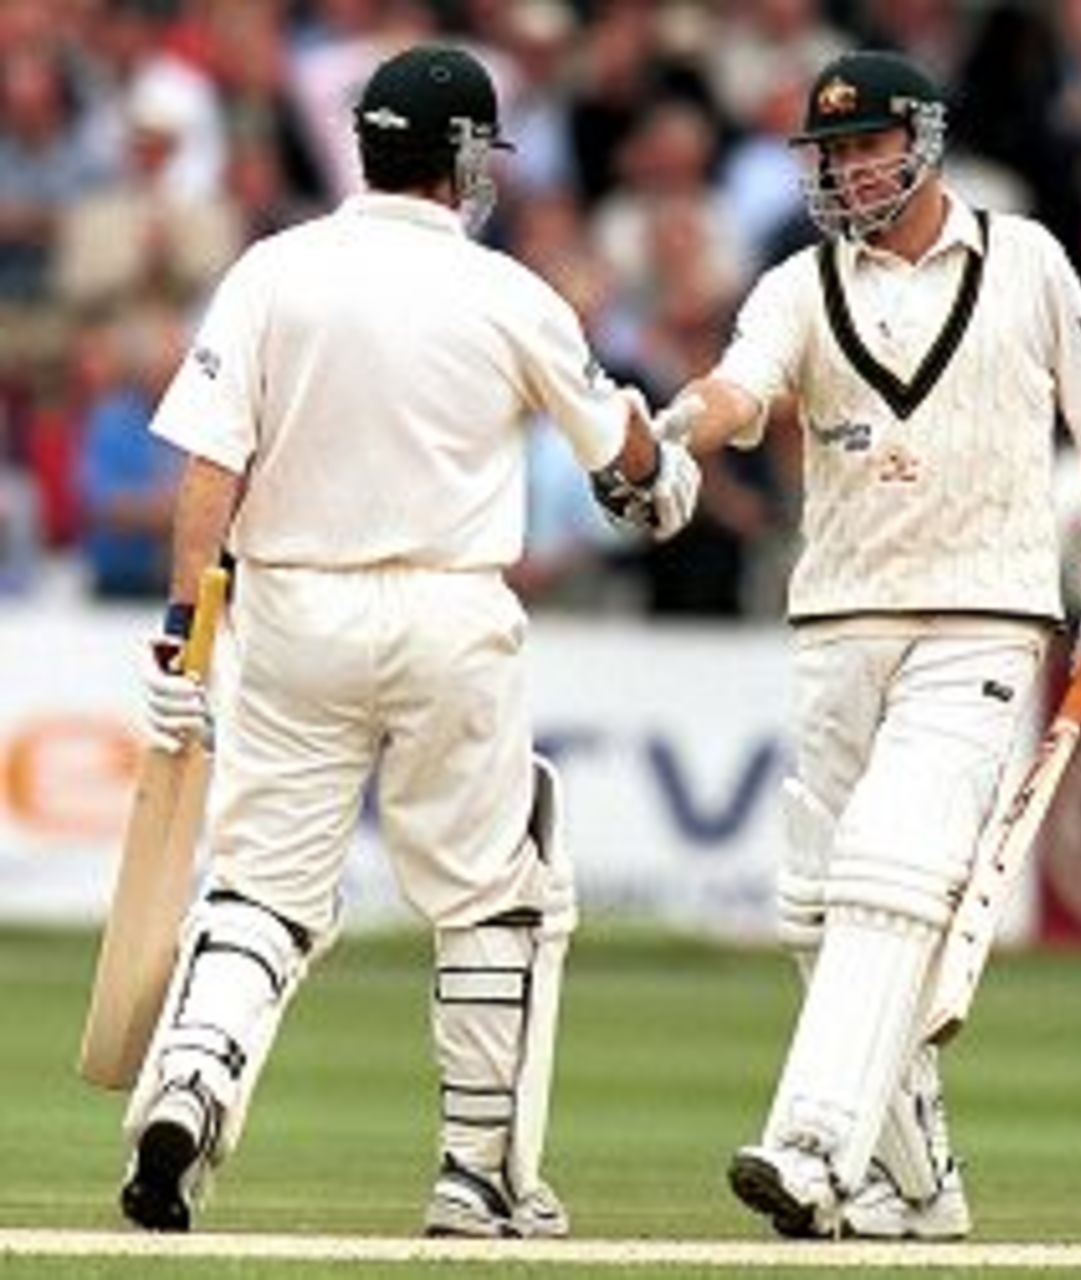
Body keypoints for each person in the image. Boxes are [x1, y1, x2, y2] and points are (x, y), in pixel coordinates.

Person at [117, 43, 698, 1240]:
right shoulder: (508, 292)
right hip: (449, 613)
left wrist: (186, 628)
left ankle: (190, 1083)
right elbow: (622, 459)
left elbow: (211, 464)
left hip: (292, 613)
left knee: (262, 891)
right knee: (490, 893)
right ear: (466, 161)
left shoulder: (273, 270)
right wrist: (665, 472)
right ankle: (474, 1175)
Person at [653, 50, 1081, 1240]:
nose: (844, 169)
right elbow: (741, 390)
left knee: (888, 872)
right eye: (828, 154)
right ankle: (920, 1186)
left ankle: (811, 1142)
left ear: (922, 142)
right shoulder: (795, 283)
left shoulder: (1025, 256)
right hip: (837, 618)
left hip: (981, 615)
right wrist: (682, 424)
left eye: (865, 145)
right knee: (815, 905)